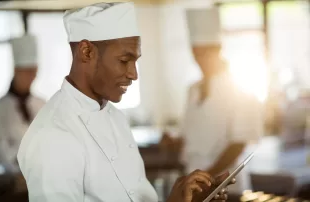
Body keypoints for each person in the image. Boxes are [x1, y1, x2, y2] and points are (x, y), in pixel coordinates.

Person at [17, 2, 235, 202]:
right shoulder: (52, 134)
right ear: (86, 52)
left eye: (135, 61)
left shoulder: (116, 118)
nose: (133, 74)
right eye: (124, 60)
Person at [162, 7, 263, 194]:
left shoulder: (240, 88)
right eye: (195, 52)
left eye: (204, 52)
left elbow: (238, 143)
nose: (199, 59)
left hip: (226, 185)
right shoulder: (192, 90)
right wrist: (173, 142)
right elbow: (189, 137)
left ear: (218, 49)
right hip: (194, 184)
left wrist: (208, 176)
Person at [0, 34, 45, 174]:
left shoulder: (42, 104)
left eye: (33, 71)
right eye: (26, 71)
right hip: (12, 177)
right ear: (16, 71)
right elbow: (0, 148)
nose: (30, 76)